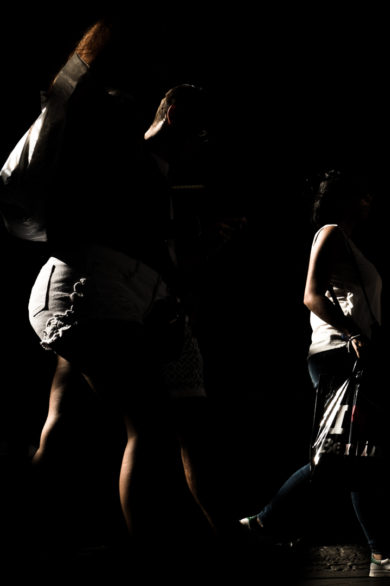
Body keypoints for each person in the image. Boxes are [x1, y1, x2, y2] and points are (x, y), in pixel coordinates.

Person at [16, 18, 227, 550]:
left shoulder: (159, 184)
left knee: (62, 429)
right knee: (150, 426)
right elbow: (68, 88)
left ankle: (22, 528)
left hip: (101, 296)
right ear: (174, 114)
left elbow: (160, 262)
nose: (203, 146)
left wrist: (199, 252)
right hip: (88, 291)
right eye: (201, 133)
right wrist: (106, 28)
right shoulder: (117, 140)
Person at [238, 169, 390, 579]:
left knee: (354, 457)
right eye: (362, 195)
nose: (369, 201)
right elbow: (310, 294)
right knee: (339, 457)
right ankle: (261, 524)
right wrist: (353, 332)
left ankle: (376, 552)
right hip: (336, 355)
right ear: (344, 199)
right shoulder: (330, 233)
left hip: (348, 355)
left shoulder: (346, 242)